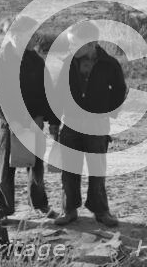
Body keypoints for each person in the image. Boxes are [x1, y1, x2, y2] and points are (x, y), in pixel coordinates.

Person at [0, 16, 59, 230]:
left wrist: (53, 122)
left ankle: (40, 204)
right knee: (4, 170)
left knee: (36, 168)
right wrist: (12, 121)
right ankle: (1, 210)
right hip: (10, 126)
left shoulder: (36, 61)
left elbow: (48, 94)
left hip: (35, 122)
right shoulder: (1, 61)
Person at [52, 20, 127, 228]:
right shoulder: (66, 62)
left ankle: (101, 211)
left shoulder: (110, 63)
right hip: (71, 125)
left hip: (97, 125)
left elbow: (120, 90)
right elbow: (57, 93)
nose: (70, 48)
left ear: (91, 43)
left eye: (74, 43)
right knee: (69, 170)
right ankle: (69, 209)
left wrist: (108, 113)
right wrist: (54, 122)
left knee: (97, 170)